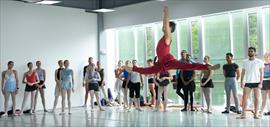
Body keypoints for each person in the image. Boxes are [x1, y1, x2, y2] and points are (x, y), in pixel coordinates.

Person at [123, 6, 220, 75]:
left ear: (169, 29)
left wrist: (166, 13)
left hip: (169, 61)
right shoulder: (163, 37)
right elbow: (165, 26)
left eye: (166, 26)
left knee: (188, 66)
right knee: (146, 71)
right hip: (161, 63)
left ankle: (207, 67)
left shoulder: (168, 37)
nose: (163, 26)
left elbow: (165, 25)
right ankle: (132, 69)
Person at [238, 47, 264, 119]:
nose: (250, 52)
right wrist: (241, 81)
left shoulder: (259, 61)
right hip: (248, 82)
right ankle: (243, 114)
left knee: (257, 98)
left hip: (257, 82)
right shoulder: (244, 61)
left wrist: (261, 82)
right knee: (245, 98)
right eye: (249, 51)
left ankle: (256, 114)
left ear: (255, 53)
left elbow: (262, 73)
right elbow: (243, 72)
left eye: (251, 51)